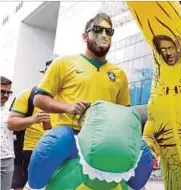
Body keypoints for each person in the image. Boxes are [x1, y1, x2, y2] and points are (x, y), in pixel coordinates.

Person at [26, 13, 131, 189]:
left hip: (105, 143)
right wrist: (68, 107)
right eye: (97, 30)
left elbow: (125, 112)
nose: (104, 35)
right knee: (49, 148)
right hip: (71, 135)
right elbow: (39, 99)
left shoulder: (119, 74)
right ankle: (32, 186)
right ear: (85, 36)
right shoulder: (63, 63)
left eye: (109, 31)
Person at [7, 60, 55, 190]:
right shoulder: (29, 95)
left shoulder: (68, 99)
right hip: (30, 151)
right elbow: (11, 123)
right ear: (44, 74)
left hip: (58, 153)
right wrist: (33, 119)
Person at [1, 77, 14, 190]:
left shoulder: (12, 111)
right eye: (2, 92)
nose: (5, 95)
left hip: (7, 158)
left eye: (8, 92)